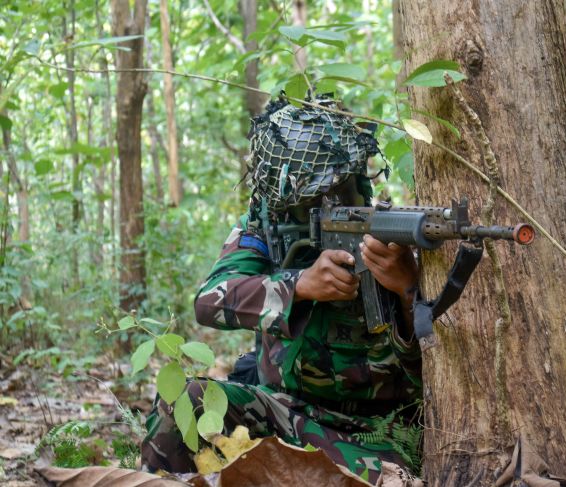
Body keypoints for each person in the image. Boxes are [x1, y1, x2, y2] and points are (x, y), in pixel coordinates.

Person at [141, 97, 423, 482]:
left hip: (378, 435)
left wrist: (407, 288)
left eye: (342, 187)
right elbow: (210, 300)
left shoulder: (387, 233)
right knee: (183, 401)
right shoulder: (264, 231)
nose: (332, 203)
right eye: (312, 196)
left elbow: (430, 362)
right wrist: (299, 286)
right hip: (284, 413)